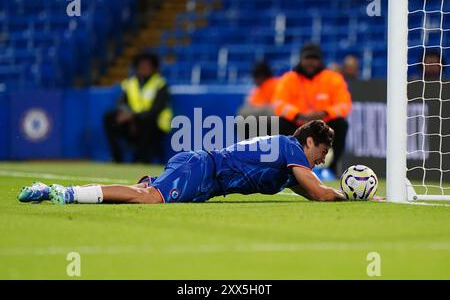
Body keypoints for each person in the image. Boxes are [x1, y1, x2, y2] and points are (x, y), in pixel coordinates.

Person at [18, 120, 366, 204]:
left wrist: (345, 195)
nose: (322, 158)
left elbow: (315, 192)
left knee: (144, 192)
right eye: (321, 151)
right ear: (308, 141)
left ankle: (66, 191)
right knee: (148, 198)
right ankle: (62, 192)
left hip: (204, 178)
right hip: (202, 169)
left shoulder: (291, 168)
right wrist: (354, 196)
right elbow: (320, 193)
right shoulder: (289, 148)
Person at [272, 43, 352, 176]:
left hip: (324, 124)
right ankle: (286, 168)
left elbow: (344, 104)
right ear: (301, 59)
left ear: (320, 60)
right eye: (307, 58)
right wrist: (297, 115)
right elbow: (279, 104)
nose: (311, 62)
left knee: (341, 124)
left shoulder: (333, 78)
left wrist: (325, 113)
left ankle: (331, 169)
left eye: (314, 59)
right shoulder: (289, 79)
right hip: (298, 124)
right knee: (280, 123)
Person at [103, 52, 172, 164]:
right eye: (141, 65)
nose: (144, 68)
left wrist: (134, 117)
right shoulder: (130, 83)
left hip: (153, 126)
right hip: (132, 122)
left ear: (153, 67)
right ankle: (116, 157)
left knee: (146, 122)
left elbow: (156, 109)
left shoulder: (160, 84)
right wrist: (127, 114)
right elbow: (121, 103)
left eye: (147, 65)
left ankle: (142, 159)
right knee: (109, 118)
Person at [237, 61, 279, 139]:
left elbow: (275, 111)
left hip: (272, 123)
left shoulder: (276, 85)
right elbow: (243, 111)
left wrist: (259, 110)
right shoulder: (257, 89)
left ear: (261, 77)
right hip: (259, 121)